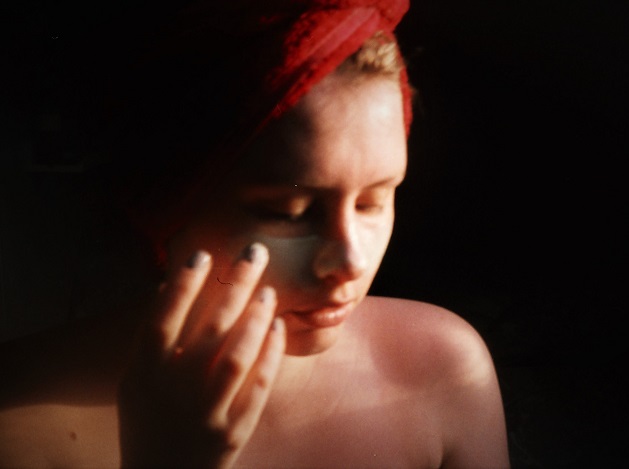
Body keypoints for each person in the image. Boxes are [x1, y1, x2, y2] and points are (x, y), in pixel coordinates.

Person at [0, 0, 510, 467]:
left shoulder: (444, 372)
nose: (351, 261)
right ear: (168, 203)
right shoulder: (18, 421)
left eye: (373, 202)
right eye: (288, 213)